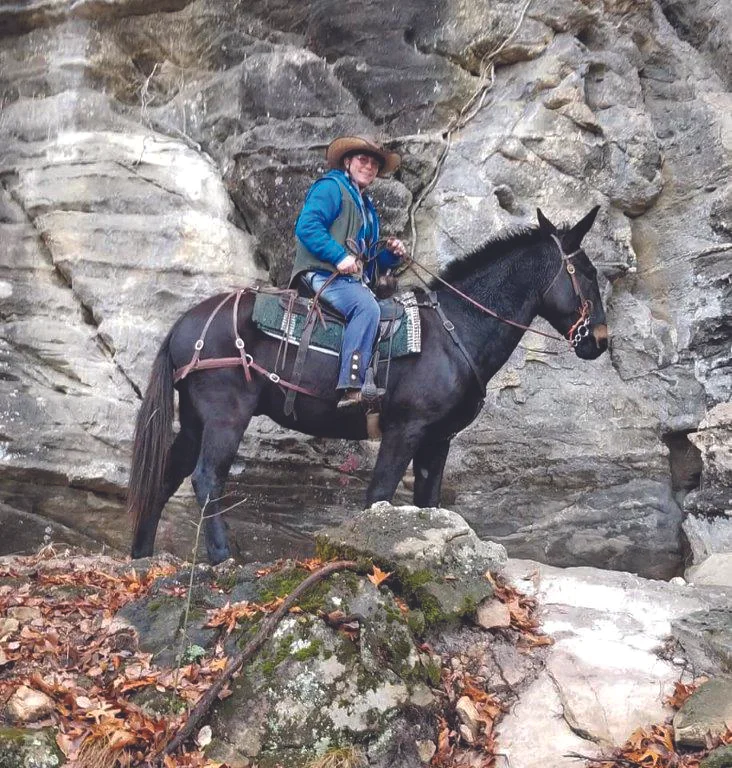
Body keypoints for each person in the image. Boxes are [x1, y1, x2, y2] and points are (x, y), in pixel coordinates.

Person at [290, 135, 407, 408]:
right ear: (347, 162)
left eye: (374, 164)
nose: (369, 167)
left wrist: (391, 254)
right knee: (367, 308)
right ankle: (351, 387)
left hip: (350, 281)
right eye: (362, 160)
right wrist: (339, 255)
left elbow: (370, 266)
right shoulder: (331, 187)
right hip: (320, 274)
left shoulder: (367, 208)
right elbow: (307, 227)